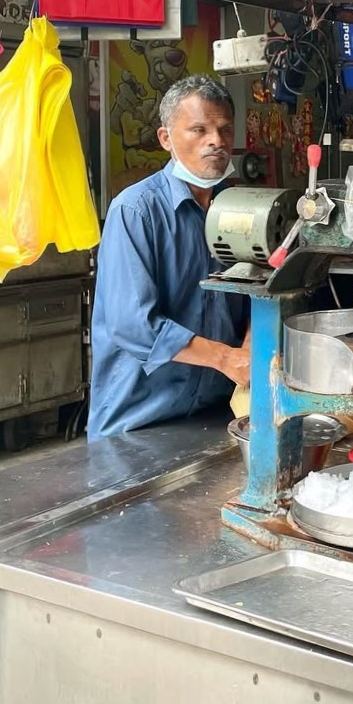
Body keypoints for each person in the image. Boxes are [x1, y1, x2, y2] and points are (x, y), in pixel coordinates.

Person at [87, 74, 251, 442]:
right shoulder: (136, 210)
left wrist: (251, 346)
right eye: (199, 129)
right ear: (166, 139)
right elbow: (132, 324)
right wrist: (226, 359)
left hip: (216, 413)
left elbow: (260, 291)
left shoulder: (240, 209)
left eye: (225, 130)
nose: (216, 141)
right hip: (139, 422)